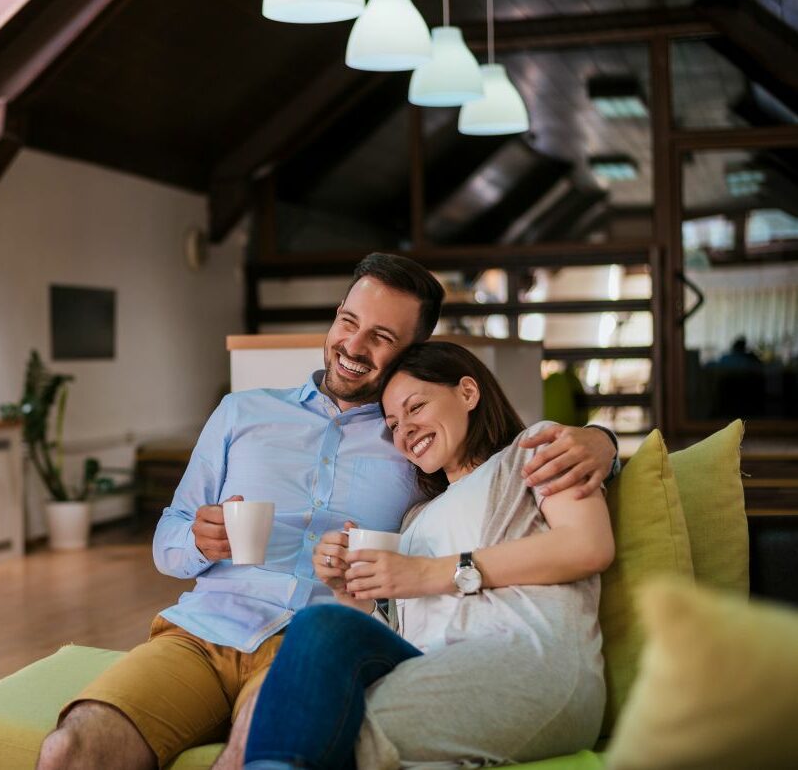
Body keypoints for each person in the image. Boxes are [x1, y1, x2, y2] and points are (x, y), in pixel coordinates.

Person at [37, 253, 619, 770]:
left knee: (252, 746)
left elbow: (501, 487)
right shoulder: (243, 412)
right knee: (72, 749)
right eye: (348, 321)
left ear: (410, 352)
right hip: (203, 631)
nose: (354, 346)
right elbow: (168, 540)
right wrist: (200, 540)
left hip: (306, 649)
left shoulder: (414, 456)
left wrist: (604, 442)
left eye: (380, 337)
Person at [230, 341, 614, 770]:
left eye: (415, 408)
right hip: (432, 667)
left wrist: (428, 573)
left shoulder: (531, 452)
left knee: (311, 723)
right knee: (321, 624)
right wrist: (351, 592)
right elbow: (403, 634)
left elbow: (587, 546)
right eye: (393, 424)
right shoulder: (415, 518)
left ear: (468, 393)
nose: (404, 431)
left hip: (530, 663)